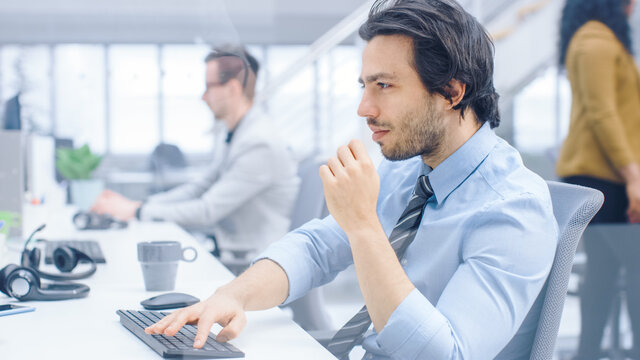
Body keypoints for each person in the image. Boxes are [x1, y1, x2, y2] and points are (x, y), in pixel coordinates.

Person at [146, 1, 558, 358]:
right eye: (364, 86)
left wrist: (363, 225)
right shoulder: (408, 167)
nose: (364, 108)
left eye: (384, 86)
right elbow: (318, 248)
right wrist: (232, 295)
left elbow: (445, 352)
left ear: (452, 92)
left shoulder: (515, 208)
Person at [91, 46, 299, 256]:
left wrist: (137, 211)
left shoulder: (259, 143)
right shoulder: (237, 134)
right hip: (232, 250)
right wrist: (139, 205)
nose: (204, 97)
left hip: (254, 261)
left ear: (232, 89)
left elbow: (207, 211)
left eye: (209, 87)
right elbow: (200, 188)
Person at [556, 0, 640, 358]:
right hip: (606, 178)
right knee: (633, 273)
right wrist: (633, 176)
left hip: (605, 176)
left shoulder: (597, 39)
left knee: (604, 276)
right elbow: (603, 114)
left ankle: (587, 353)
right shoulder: (596, 42)